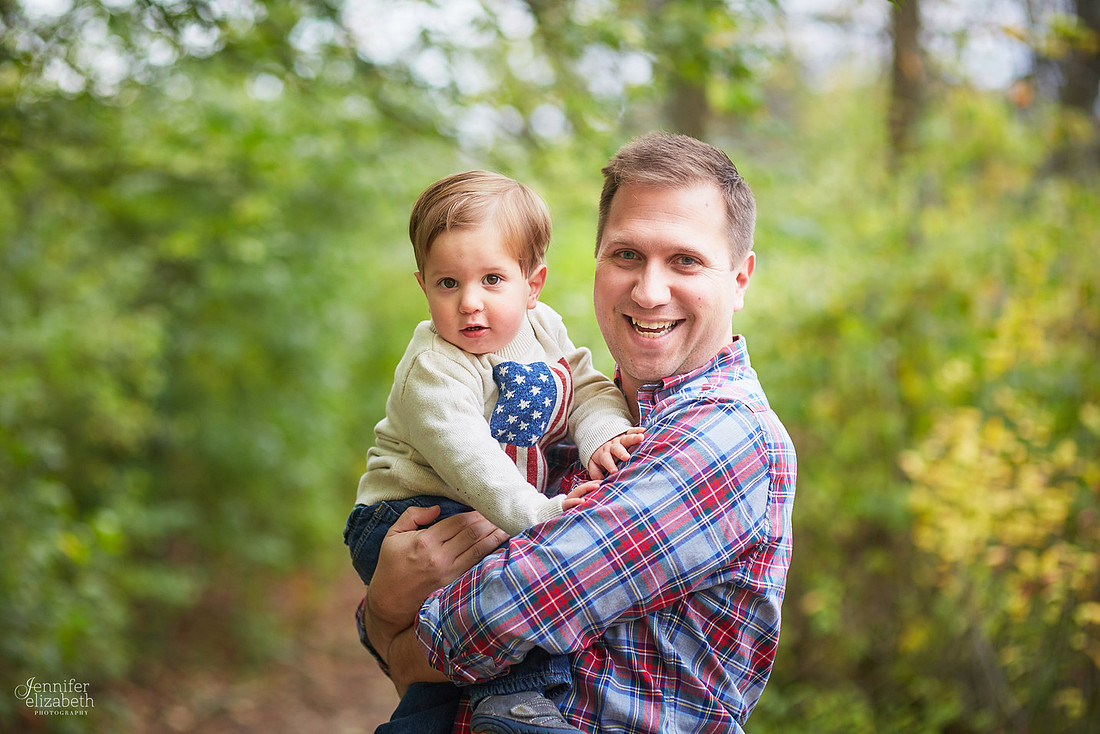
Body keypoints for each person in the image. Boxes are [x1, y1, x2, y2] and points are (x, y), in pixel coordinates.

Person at [360, 132, 797, 733]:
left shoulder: (723, 435)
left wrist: (387, 622)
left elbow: (517, 603)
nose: (648, 290)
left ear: (740, 279)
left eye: (685, 260)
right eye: (625, 255)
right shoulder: (581, 403)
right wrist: (391, 612)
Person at [344, 170, 642, 733]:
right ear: (424, 285)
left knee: (441, 691)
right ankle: (517, 702)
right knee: (512, 580)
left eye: (493, 280)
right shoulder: (434, 368)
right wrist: (542, 516)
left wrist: (601, 433)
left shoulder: (543, 327)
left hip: (489, 506)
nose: (470, 304)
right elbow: (472, 462)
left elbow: (589, 388)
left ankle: (420, 722)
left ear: (533, 284)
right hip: (410, 512)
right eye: (448, 283)